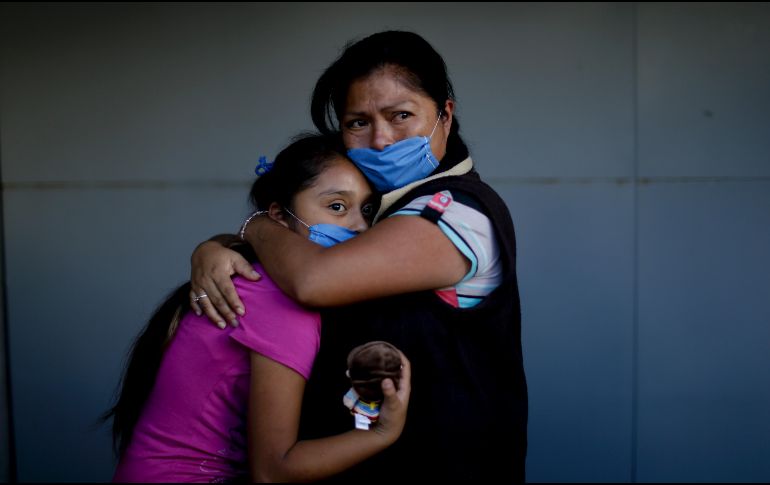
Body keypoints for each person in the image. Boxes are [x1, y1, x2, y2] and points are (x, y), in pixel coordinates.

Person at [191, 31, 527, 481]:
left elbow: (315, 281)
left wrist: (254, 227)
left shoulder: (460, 212)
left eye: (401, 115)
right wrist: (217, 247)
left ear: (445, 114)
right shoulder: (378, 216)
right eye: (357, 123)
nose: (382, 140)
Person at [105, 133, 411, 483]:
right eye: (337, 207)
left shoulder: (257, 276)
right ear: (279, 216)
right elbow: (273, 470)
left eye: (367, 209)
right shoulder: (278, 298)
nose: (359, 225)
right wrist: (381, 433)